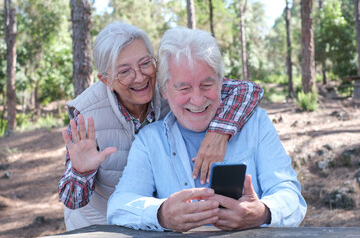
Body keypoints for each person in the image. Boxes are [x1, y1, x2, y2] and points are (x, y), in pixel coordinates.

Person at [58, 21, 263, 231]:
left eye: (145, 63)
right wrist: (81, 172)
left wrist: (220, 131)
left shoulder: (171, 86)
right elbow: (72, 201)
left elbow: (248, 90)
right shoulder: (86, 114)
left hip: (154, 222)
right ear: (106, 80)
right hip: (101, 226)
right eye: (124, 71)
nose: (139, 77)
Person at [107, 27, 307, 232]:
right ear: (165, 90)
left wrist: (263, 212)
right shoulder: (150, 141)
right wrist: (161, 214)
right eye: (184, 88)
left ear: (221, 82)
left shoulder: (256, 124)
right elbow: (118, 207)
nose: (197, 99)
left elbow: (291, 196)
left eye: (207, 85)